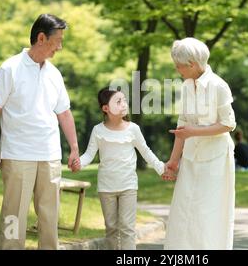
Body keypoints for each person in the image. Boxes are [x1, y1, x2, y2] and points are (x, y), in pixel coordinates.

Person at [0, 14, 80, 250]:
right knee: (13, 214)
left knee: (49, 215)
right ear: (41, 38)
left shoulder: (54, 73)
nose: (60, 46)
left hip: (49, 155)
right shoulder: (10, 68)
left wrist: (74, 148)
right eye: (57, 40)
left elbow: (64, 114)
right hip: (18, 154)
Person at [75, 87, 175, 250]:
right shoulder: (98, 130)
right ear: (105, 108)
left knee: (127, 229)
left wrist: (161, 168)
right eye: (118, 101)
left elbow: (146, 151)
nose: (124, 104)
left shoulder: (133, 129)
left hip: (128, 186)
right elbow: (88, 155)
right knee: (112, 229)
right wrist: (78, 163)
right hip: (106, 187)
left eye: (124, 100)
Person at [164, 37, 236, 250]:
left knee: (208, 213)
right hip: (190, 157)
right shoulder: (187, 86)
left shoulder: (219, 86)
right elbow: (182, 125)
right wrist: (173, 160)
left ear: (193, 64)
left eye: (179, 66)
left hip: (214, 158)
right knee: (184, 210)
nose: (178, 70)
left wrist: (195, 132)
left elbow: (228, 124)